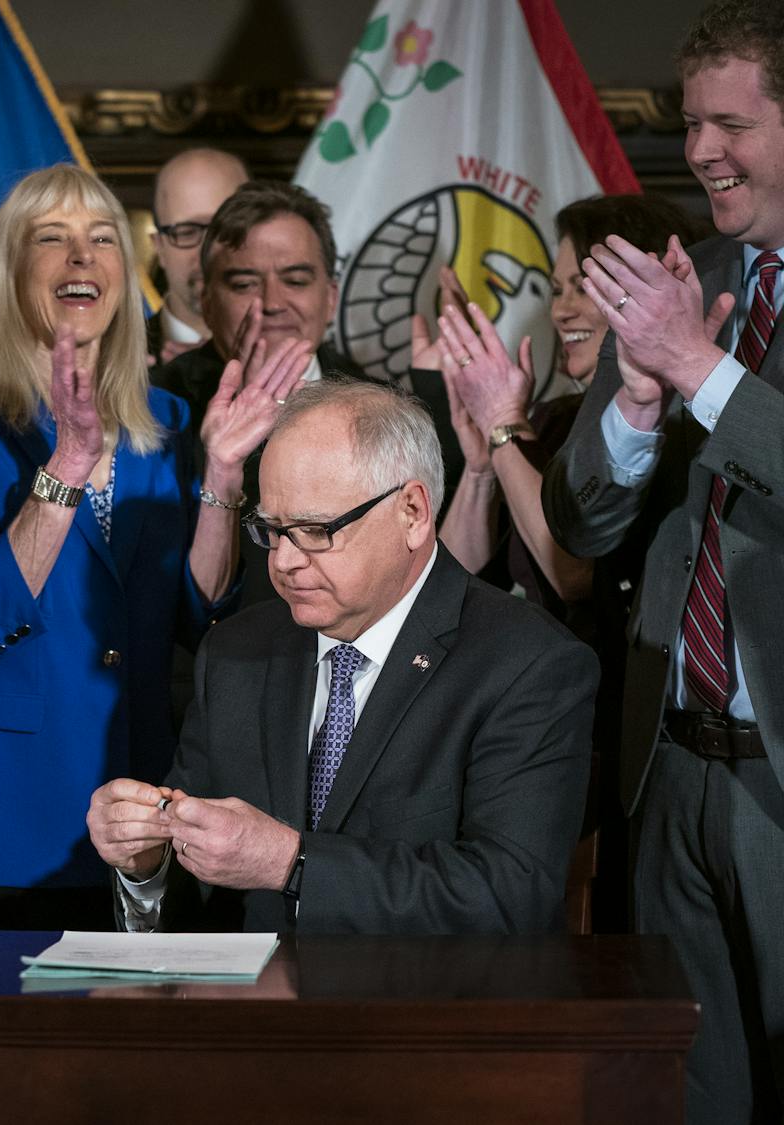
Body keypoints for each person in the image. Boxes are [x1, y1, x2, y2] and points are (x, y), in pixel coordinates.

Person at [0, 164, 308, 930]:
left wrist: (223, 471)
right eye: (52, 239)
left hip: (144, 812)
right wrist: (66, 467)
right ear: (8, 272)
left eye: (101, 240)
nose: (82, 258)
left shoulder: (170, 419)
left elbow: (201, 614)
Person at [88, 378, 595, 935]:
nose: (282, 562)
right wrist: (147, 863)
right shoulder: (237, 654)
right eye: (271, 530)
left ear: (412, 513)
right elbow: (201, 898)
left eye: (313, 530)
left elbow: (509, 897)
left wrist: (290, 862)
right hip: (250, 1011)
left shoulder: (528, 664)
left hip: (427, 1012)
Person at [542, 3, 784, 1119]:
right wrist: (635, 402)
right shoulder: (688, 281)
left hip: (774, 788)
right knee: (692, 1096)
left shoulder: (690, 323)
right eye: (688, 124)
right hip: (666, 768)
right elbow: (581, 522)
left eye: (727, 123)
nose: (696, 153)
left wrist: (696, 368)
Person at [433, 195, 706, 935]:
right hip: (518, 737)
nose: (562, 307)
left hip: (613, 747)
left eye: (583, 283)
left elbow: (571, 569)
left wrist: (502, 425)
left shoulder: (662, 432)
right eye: (555, 288)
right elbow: (451, 571)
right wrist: (483, 460)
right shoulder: (547, 417)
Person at [154, 180, 464, 607]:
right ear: (207, 301)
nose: (272, 302)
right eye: (244, 284)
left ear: (331, 296)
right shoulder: (156, 409)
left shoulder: (387, 405)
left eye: (296, 280)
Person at [146, 148, 248, 365]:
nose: (207, 251)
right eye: (186, 232)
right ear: (159, 247)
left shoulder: (323, 367)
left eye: (225, 227)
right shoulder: (108, 364)